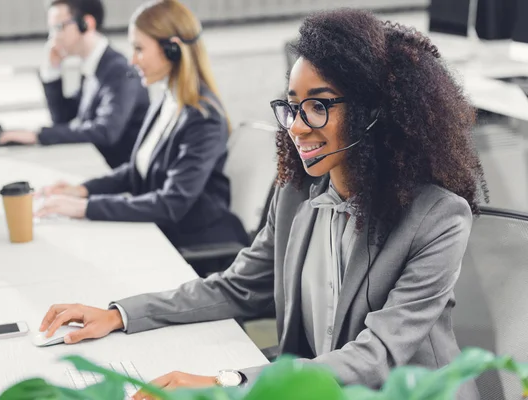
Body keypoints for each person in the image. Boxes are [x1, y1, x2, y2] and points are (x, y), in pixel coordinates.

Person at [38, 8, 486, 398]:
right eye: (293, 106)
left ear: (374, 112)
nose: (298, 126)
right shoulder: (297, 195)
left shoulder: (439, 218)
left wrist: (226, 381)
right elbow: (235, 287)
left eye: (320, 105)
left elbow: (375, 357)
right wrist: (121, 313)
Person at [34, 0, 249, 250]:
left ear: (172, 50)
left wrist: (85, 207)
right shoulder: (165, 100)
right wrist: (81, 190)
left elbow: (171, 203)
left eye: (139, 49)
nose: (133, 61)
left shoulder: (203, 118)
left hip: (197, 245)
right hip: (159, 232)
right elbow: (135, 171)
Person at [0, 0, 150, 169]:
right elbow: (65, 119)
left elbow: (106, 132)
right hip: (98, 166)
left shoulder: (120, 71)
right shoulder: (93, 65)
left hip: (123, 179)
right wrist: (52, 72)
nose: (53, 38)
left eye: (59, 27)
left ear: (86, 24)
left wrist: (37, 135)